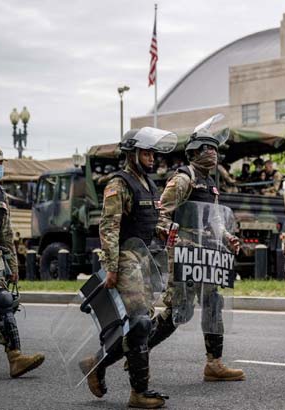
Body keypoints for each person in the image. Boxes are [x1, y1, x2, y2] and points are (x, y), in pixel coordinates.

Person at [146, 117, 245, 384]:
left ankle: (214, 364)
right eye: (206, 148)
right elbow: (161, 216)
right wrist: (177, 239)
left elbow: (214, 219)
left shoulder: (210, 183)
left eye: (214, 148)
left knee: (213, 303)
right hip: (184, 252)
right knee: (180, 311)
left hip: (207, 252)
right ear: (193, 152)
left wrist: (227, 237)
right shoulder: (183, 179)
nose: (212, 152)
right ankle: (139, 350)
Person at [81, 128, 172, 408]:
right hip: (125, 260)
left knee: (140, 326)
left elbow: (151, 220)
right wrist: (111, 267)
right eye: (146, 153)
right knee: (140, 323)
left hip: (145, 259)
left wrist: (164, 230)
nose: (152, 158)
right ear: (132, 154)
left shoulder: (149, 184)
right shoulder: (119, 184)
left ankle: (96, 363)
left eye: (153, 153)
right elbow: (109, 226)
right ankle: (138, 393)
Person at [0, 147, 45, 378]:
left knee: (3, 301)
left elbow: (6, 232)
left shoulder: (1, 193)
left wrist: (12, 265)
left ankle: (16, 358)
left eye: (1, 161)